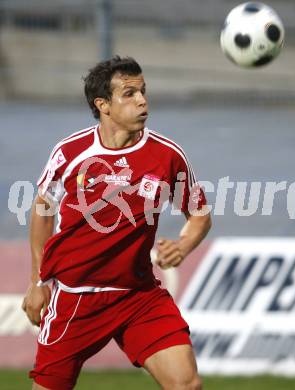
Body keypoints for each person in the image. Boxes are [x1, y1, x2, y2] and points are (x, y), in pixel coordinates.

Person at [22, 56, 211, 390]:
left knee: (186, 384)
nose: (142, 100)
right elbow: (42, 208)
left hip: (138, 296)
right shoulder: (70, 152)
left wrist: (183, 244)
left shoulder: (167, 155)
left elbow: (199, 214)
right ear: (103, 105)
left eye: (143, 91)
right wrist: (38, 281)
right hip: (75, 297)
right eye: (129, 93)